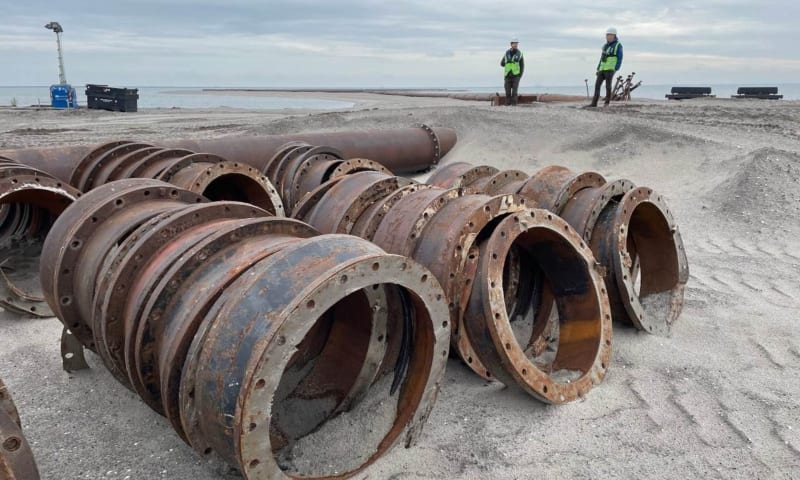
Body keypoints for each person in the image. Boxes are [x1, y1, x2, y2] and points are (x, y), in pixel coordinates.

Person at [590, 27, 623, 107]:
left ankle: (606, 103)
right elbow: (601, 58)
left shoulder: (618, 45)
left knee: (608, 86)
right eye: (607, 35)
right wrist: (598, 68)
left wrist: (616, 68)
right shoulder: (605, 46)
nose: (607, 36)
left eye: (609, 35)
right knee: (597, 85)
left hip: (610, 69)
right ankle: (594, 103)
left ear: (614, 35)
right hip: (602, 69)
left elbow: (620, 57)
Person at [501, 38, 524, 106]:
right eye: (514, 43)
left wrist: (520, 75)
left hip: (516, 75)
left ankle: (514, 104)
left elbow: (522, 65)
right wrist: (506, 61)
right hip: (507, 75)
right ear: (511, 44)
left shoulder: (520, 54)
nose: (515, 45)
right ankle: (507, 104)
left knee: (514, 92)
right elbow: (501, 64)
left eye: (516, 43)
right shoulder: (506, 53)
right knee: (507, 92)